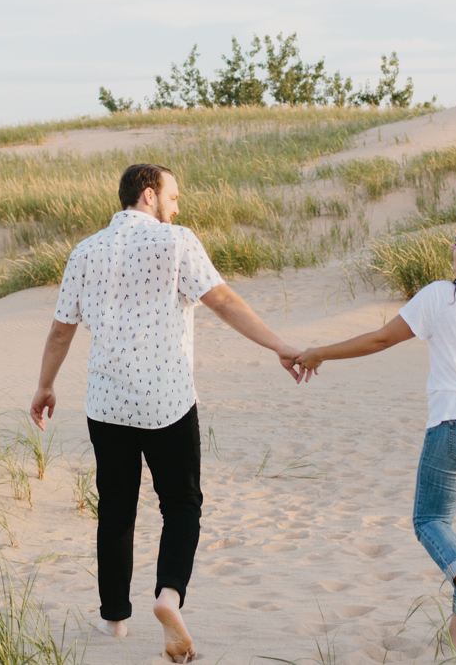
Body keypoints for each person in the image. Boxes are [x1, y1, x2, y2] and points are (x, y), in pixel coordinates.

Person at [31, 162, 305, 662]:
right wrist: (279, 345)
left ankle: (114, 621)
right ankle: (168, 596)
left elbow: (60, 330)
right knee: (181, 504)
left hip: (106, 404)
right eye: (174, 197)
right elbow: (222, 300)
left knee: (115, 509)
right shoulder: (175, 240)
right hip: (166, 401)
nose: (178, 207)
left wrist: (45, 385)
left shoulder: (85, 251)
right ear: (150, 195)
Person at [294, 214, 456, 650]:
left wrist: (320, 352)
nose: (452, 249)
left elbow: (381, 340)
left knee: (430, 520)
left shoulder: (441, 297)